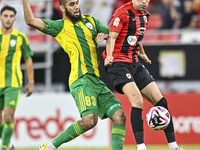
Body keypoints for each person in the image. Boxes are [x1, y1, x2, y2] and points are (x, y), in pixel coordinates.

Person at [22, 0, 126, 150]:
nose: (76, 6)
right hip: (81, 80)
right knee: (90, 120)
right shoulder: (60, 27)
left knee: (119, 116)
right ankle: (50, 147)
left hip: (97, 80)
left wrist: (107, 36)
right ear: (62, 8)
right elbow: (30, 20)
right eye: (71, 4)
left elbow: (114, 35)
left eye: (77, 2)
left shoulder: (91, 21)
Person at [102, 0, 184, 150]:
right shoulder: (122, 13)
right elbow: (112, 37)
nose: (145, 2)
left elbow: (137, 36)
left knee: (162, 102)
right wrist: (109, 56)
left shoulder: (146, 15)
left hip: (134, 63)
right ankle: (141, 147)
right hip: (118, 64)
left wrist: (142, 53)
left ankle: (174, 147)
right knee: (137, 101)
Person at [0, 5, 34, 150]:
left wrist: (31, 81)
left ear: (14, 18)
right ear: (1, 17)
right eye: (5, 16)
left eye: (10, 16)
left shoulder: (20, 37)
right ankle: (9, 146)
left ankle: (4, 147)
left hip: (12, 83)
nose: (8, 19)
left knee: (8, 116)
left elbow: (28, 59)